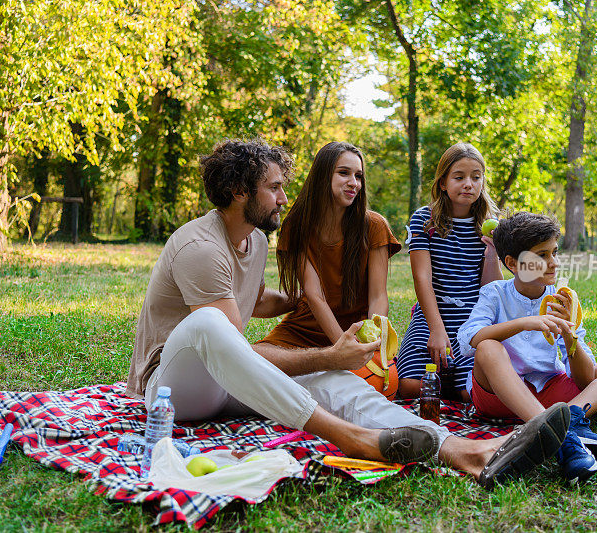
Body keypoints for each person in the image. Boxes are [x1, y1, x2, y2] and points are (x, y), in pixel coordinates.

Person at [126, 139, 571, 489]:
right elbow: (226, 339)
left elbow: (252, 299)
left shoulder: (255, 239)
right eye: (275, 187)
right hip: (173, 388)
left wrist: (293, 304)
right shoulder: (201, 247)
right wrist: (325, 353)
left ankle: (464, 451)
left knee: (340, 384)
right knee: (213, 327)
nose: (284, 196)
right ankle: (352, 438)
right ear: (240, 192)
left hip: (229, 385)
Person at [456, 211, 597, 484]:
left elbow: (585, 378)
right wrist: (526, 323)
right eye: (541, 255)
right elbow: (466, 341)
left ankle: (569, 419)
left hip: (551, 391)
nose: (553, 263)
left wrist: (570, 336)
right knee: (487, 347)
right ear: (512, 263)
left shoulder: (562, 299)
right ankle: (560, 434)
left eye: (554, 252)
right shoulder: (496, 293)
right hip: (498, 397)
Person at [256, 141, 400, 380]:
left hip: (356, 332)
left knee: (388, 382)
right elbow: (314, 295)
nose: (354, 182)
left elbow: (378, 296)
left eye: (359, 176)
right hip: (304, 330)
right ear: (323, 175)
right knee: (254, 362)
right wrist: (339, 351)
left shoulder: (374, 226)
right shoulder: (297, 226)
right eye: (344, 173)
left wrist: (371, 339)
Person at [396, 143, 502, 401]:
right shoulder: (424, 219)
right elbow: (422, 279)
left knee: (471, 393)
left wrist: (492, 255)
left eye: (476, 177)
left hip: (472, 321)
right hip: (431, 317)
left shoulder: (489, 225)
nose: (468, 184)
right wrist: (436, 330)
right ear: (443, 182)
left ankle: (452, 381)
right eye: (459, 177)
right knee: (410, 387)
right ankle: (443, 377)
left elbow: (492, 290)